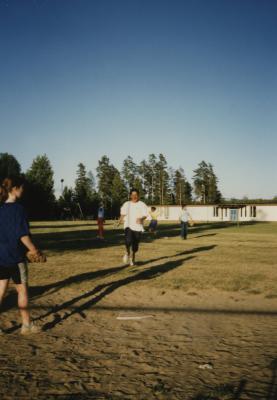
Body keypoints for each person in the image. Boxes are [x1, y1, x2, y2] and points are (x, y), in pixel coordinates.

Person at [0, 176, 41, 334]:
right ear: (15, 189)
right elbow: (23, 235)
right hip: (16, 257)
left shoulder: (0, 209)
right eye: (22, 187)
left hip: (1, 256)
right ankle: (26, 325)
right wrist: (34, 250)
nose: (23, 190)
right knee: (22, 291)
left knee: (0, 291)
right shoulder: (19, 209)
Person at [119, 188, 148, 266]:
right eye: (132, 195)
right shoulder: (126, 204)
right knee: (128, 241)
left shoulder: (142, 204)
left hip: (138, 227)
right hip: (128, 225)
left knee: (135, 246)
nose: (134, 196)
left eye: (136, 195)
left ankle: (132, 258)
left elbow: (145, 215)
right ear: (130, 195)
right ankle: (127, 252)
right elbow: (123, 213)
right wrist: (120, 220)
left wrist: (141, 219)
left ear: (138, 196)